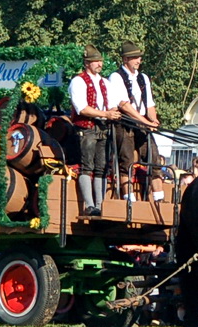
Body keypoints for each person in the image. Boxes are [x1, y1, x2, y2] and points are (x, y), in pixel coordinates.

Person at [68, 45, 118, 216]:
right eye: (96, 61)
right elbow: (82, 108)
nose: (100, 64)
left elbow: (112, 103)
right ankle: (89, 205)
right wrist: (106, 113)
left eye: (100, 61)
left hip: (102, 127)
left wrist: (112, 112)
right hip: (86, 127)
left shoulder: (105, 82)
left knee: (102, 167)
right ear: (87, 63)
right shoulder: (78, 81)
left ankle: (100, 204)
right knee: (87, 166)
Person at [106, 41, 161, 199]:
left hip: (142, 123)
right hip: (125, 124)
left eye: (139, 57)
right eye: (134, 57)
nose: (138, 60)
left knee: (154, 158)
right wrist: (146, 122)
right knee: (127, 162)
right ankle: (129, 200)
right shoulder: (116, 77)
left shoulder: (143, 78)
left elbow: (149, 104)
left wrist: (154, 120)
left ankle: (159, 198)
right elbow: (125, 105)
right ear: (125, 59)